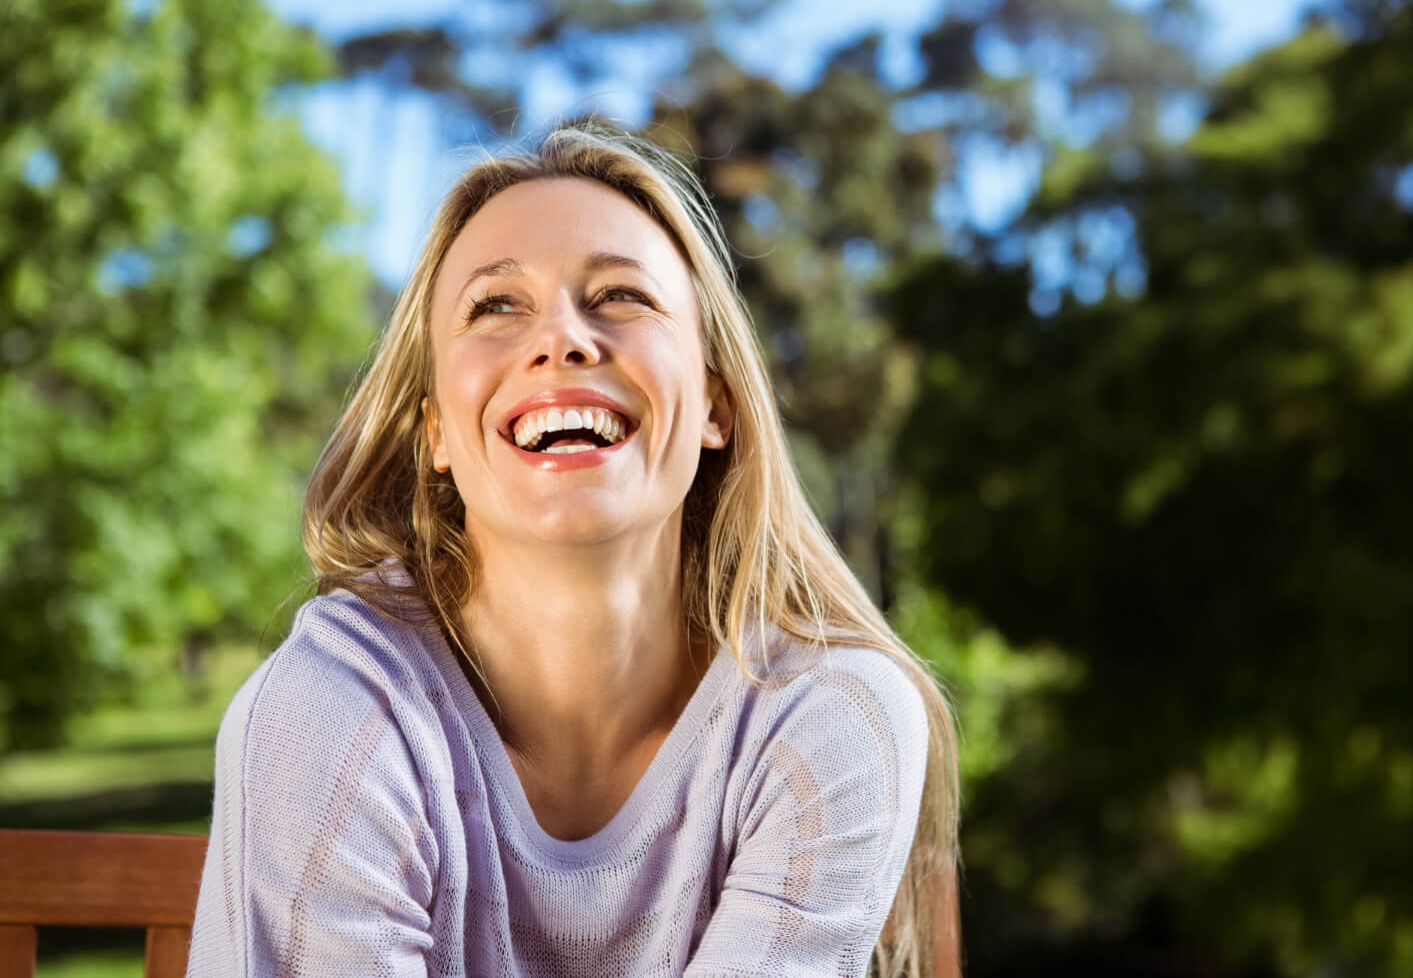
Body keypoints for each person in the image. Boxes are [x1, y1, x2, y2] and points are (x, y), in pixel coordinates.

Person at [186, 121, 960, 977]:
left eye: (622, 296)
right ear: (436, 430)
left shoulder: (833, 718)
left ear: (715, 405)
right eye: (495, 305)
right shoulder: (324, 713)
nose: (562, 340)